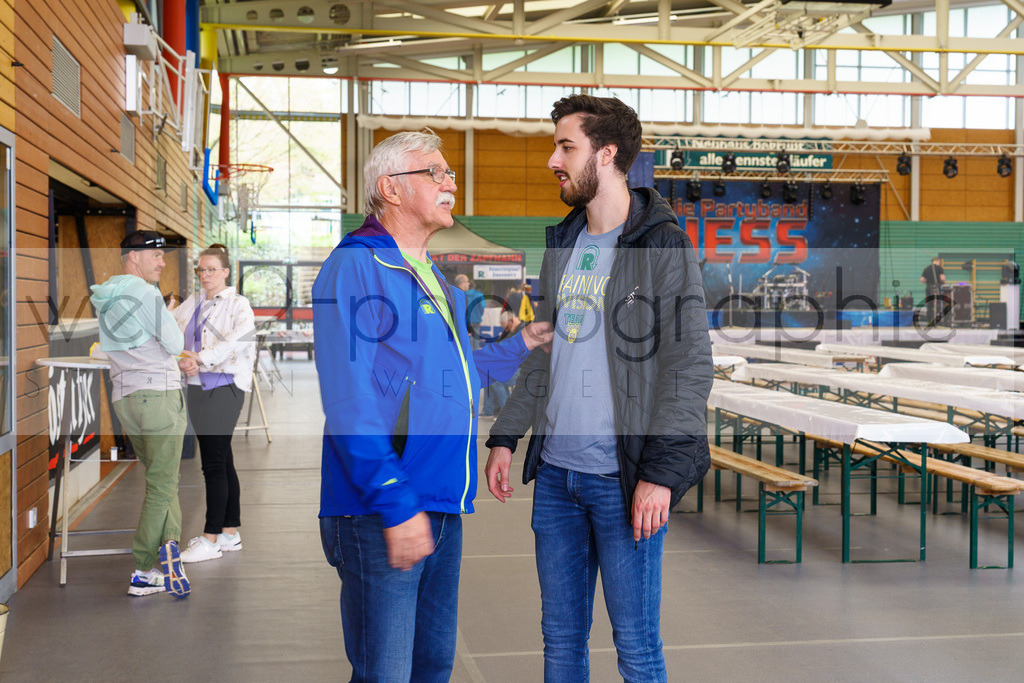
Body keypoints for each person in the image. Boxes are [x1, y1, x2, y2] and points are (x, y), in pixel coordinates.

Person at [485, 94, 713, 681]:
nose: (552, 161)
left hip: (624, 479)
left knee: (636, 648)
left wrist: (660, 474)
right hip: (557, 479)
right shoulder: (564, 243)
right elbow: (545, 348)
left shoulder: (662, 244)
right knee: (560, 644)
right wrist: (508, 434)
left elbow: (688, 366)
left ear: (606, 154)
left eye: (566, 146)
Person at [312, 129, 553, 681]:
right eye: (436, 173)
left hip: (441, 502)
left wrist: (525, 342)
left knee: (430, 669)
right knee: (386, 674)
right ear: (390, 189)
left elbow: (460, 375)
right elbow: (349, 402)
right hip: (383, 508)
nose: (451, 183)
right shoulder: (358, 267)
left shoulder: (433, 276)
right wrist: (394, 502)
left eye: (450, 174)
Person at [89, 230, 191, 598]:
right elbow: (176, 345)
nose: (163, 263)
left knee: (163, 478)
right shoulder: (145, 293)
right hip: (159, 397)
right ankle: (144, 569)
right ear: (134, 257)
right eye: (156, 256)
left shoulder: (106, 295)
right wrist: (172, 322)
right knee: (162, 484)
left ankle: (170, 543)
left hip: (125, 399)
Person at [173, 244, 257, 563]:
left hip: (226, 387)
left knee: (212, 463)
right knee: (223, 460)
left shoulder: (238, 304)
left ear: (225, 272)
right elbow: (173, 333)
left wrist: (201, 358)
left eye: (211, 269)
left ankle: (210, 538)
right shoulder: (193, 302)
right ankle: (230, 533)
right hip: (196, 387)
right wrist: (184, 358)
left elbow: (239, 339)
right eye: (200, 270)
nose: (204, 275)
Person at [454, 273, 485, 347]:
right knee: (476, 343)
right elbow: (482, 307)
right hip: (476, 321)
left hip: (464, 323)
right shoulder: (479, 295)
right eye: (467, 282)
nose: (468, 284)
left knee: (466, 344)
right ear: (463, 283)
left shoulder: (458, 294)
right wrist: (478, 315)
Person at [920, 256, 946, 325]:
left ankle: (929, 320)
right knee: (938, 304)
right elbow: (942, 279)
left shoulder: (927, 268)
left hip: (929, 288)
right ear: (938, 261)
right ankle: (938, 321)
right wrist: (943, 282)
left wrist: (928, 282)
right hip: (936, 288)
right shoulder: (939, 268)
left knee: (930, 305)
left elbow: (922, 279)